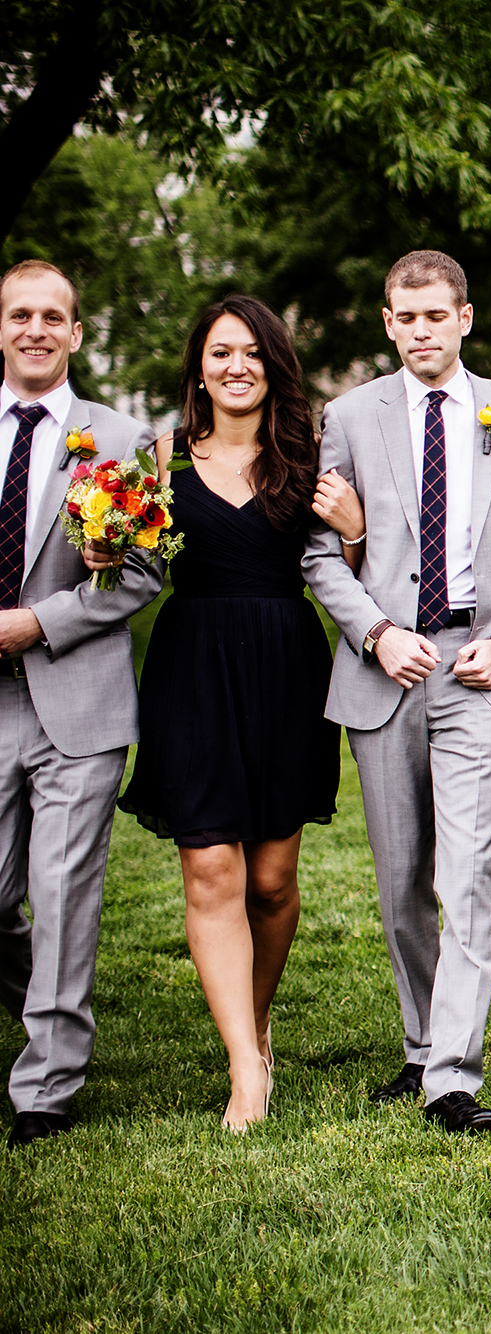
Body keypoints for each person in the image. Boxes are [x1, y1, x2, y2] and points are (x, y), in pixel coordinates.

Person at [302, 250, 491, 1134]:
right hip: (384, 670)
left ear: (464, 318)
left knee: (470, 872)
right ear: (387, 323)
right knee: (401, 878)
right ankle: (419, 1046)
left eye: (435, 316)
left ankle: (454, 1074)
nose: (420, 331)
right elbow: (316, 555)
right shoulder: (347, 416)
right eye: (404, 318)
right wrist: (375, 632)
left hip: (479, 670)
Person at [114, 296, 345, 1130]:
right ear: (198, 368)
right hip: (194, 667)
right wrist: (107, 547)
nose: (235, 366)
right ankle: (247, 1069)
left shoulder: (309, 459)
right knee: (212, 868)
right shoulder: (158, 456)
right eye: (219, 353)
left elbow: (351, 566)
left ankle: (257, 1019)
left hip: (285, 666)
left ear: (272, 365)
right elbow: (133, 567)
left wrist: (352, 533)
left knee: (274, 881)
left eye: (251, 352)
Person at [0, 260, 166, 1147]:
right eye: (19, 314)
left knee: (64, 894)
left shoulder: (121, 437)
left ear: (74, 333)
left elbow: (143, 569)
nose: (35, 328)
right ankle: (41, 993)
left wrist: (38, 622)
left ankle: (46, 1088)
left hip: (77, 696)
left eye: (51, 316)